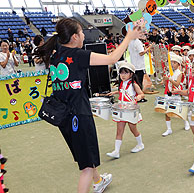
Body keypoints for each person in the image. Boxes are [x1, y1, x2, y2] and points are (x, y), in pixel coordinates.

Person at [34, 18, 143, 193]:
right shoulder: (78, 55)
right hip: (79, 115)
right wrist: (129, 37)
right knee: (85, 167)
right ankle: (94, 181)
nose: (84, 35)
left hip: (64, 118)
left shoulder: (55, 55)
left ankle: (99, 180)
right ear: (75, 37)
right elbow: (112, 58)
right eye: (82, 32)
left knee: (85, 156)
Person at [106, 61, 145, 159]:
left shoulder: (134, 85)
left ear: (131, 74)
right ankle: (116, 151)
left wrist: (138, 98)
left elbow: (141, 94)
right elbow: (122, 92)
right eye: (121, 73)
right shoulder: (122, 83)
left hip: (131, 110)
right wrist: (115, 92)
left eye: (125, 73)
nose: (122, 75)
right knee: (119, 130)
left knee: (133, 129)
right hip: (121, 109)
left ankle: (140, 144)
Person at [162, 54, 190, 136]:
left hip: (176, 94)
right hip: (167, 93)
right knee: (167, 112)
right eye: (171, 62)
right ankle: (169, 129)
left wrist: (169, 79)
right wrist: (164, 80)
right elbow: (165, 83)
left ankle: (186, 122)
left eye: (174, 62)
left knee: (180, 110)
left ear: (178, 64)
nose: (172, 64)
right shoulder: (168, 72)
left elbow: (177, 84)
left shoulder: (179, 73)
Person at [128, 37, 152, 102]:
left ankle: (135, 96)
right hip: (139, 66)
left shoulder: (130, 41)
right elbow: (141, 53)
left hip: (134, 65)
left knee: (135, 82)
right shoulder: (137, 42)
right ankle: (139, 97)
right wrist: (149, 48)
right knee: (139, 83)